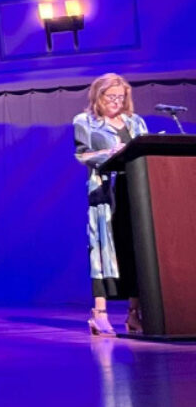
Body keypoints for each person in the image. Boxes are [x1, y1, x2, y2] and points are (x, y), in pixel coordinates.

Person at [73, 72, 148, 336]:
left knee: (137, 249)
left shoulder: (135, 122)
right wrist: (110, 153)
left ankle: (134, 314)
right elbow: (82, 155)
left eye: (121, 96)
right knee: (103, 252)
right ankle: (99, 315)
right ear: (98, 96)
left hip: (137, 192)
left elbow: (145, 152)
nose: (116, 101)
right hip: (106, 195)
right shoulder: (86, 122)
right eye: (111, 96)